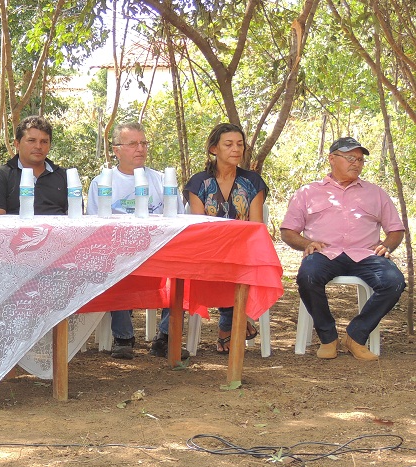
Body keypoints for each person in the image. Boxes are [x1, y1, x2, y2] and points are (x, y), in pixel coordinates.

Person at [281, 137, 405, 361]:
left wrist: (387, 246)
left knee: (394, 281)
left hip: (366, 254)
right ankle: (328, 338)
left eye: (360, 159)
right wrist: (306, 244)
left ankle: (356, 335)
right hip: (325, 253)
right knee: (308, 276)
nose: (356, 163)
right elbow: (288, 231)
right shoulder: (308, 192)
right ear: (332, 159)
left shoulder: (375, 193)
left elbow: (396, 230)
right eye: (350, 158)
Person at [86, 122, 185, 360]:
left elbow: (179, 219)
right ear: (117, 150)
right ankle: (123, 337)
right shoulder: (102, 183)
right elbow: (95, 227)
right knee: (114, 263)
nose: (140, 148)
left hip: (160, 251)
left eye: (143, 143)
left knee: (183, 268)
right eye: (133, 143)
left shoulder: (162, 181)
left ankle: (166, 337)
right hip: (121, 252)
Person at [184, 122, 267, 354]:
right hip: (206, 249)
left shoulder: (253, 182)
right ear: (214, 149)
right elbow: (199, 226)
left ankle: (225, 329)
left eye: (240, 144)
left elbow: (256, 226)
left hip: (243, 249)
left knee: (236, 264)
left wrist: (235, 245)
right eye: (228, 144)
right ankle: (232, 325)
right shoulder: (199, 183)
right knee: (214, 264)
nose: (236, 149)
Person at [0, 115, 67, 215]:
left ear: (49, 145)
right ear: (17, 144)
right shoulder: (0, 176)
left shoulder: (64, 176)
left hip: (59, 230)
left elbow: (75, 218)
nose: (38, 146)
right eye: (31, 141)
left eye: (44, 142)